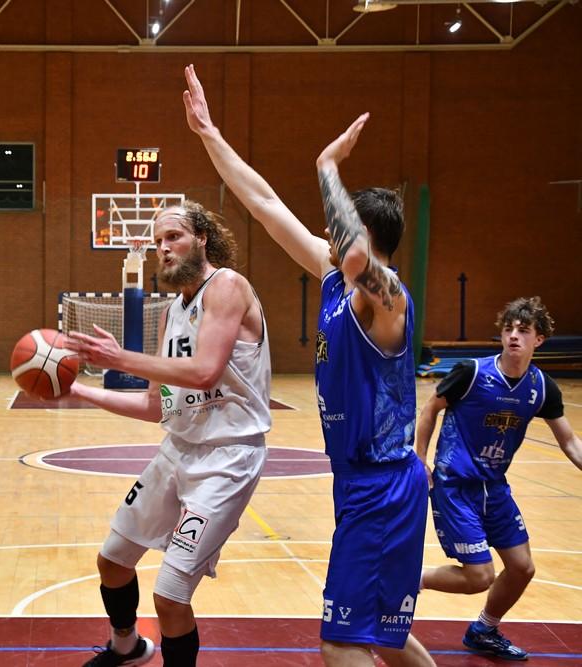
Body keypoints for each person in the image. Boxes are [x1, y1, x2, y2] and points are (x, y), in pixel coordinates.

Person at [183, 64, 434, 666]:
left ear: (364, 236)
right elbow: (265, 204)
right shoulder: (335, 279)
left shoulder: (388, 300)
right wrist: (209, 134)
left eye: (339, 225)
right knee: (386, 640)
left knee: (339, 643)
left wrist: (327, 167)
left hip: (382, 486)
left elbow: (355, 256)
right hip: (362, 482)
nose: (325, 230)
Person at [65, 200, 271, 666]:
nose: (163, 247)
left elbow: (203, 371)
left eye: (173, 236)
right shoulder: (169, 313)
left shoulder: (228, 286)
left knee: (171, 595)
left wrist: (120, 359)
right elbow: (156, 405)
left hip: (227, 459)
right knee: (112, 561)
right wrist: (77, 389)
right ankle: (127, 646)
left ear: (202, 238)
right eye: (158, 240)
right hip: (177, 449)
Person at [417, 297, 582, 661]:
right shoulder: (472, 373)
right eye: (508, 329)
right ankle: (407, 580)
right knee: (479, 577)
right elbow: (431, 408)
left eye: (523, 330)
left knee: (522, 568)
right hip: (455, 485)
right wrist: (420, 458)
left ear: (539, 339)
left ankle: (484, 630)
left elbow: (570, 441)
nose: (513, 336)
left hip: (494, 487)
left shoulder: (542, 387)